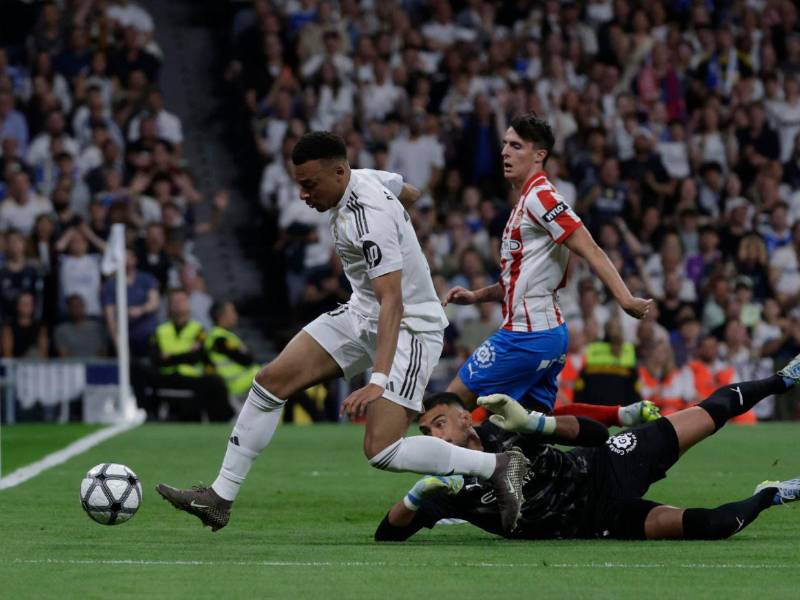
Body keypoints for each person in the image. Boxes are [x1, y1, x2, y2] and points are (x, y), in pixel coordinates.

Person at [156, 132, 531, 534]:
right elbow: (411, 191)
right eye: (299, 183)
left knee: (381, 450)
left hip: (409, 328)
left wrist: (377, 379)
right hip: (361, 313)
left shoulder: (369, 218)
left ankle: (497, 466)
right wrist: (403, 223)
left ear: (339, 173)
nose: (303, 194)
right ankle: (220, 497)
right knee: (269, 382)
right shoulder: (364, 178)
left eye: (309, 184)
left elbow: (394, 303)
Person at [374, 354, 800, 542]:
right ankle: (771, 493)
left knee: (711, 413)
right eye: (427, 431)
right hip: (600, 520)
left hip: (607, 465)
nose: (434, 436)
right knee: (713, 528)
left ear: (466, 418)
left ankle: (783, 379)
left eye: (440, 423)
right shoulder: (446, 484)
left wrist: (533, 422)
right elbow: (389, 533)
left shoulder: (505, 426)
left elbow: (594, 435)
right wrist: (416, 494)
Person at [441, 114, 652, 421]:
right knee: (530, 430)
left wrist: (625, 299)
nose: (505, 153)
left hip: (526, 335)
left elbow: (589, 247)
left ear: (539, 155)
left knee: (447, 409)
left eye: (516, 146)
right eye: (504, 145)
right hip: (548, 333)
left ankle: (446, 470)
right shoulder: (526, 202)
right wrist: (476, 296)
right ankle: (620, 416)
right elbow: (518, 282)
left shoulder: (541, 197)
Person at [149, 288, 231, 422]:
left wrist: (170, 356)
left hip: (191, 377)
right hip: (167, 376)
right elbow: (156, 359)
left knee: (214, 381)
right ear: (169, 305)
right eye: (174, 301)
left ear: (188, 304)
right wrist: (186, 354)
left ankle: (220, 421)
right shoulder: (160, 330)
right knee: (140, 370)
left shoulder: (198, 329)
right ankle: (149, 415)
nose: (178, 304)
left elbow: (196, 357)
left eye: (181, 300)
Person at [204, 300, 260, 405]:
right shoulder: (219, 338)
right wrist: (245, 351)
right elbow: (247, 359)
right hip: (239, 384)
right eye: (232, 312)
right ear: (221, 316)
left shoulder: (226, 335)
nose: (235, 315)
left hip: (248, 381)